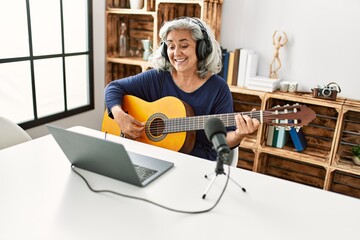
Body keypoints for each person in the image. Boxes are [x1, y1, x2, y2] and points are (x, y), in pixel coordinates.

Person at [105, 17, 260, 161]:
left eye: (184, 45)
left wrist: (239, 134)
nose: (176, 53)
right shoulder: (157, 78)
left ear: (202, 49)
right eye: (171, 46)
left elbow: (224, 139)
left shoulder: (218, 88)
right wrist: (119, 115)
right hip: (153, 156)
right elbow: (113, 88)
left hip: (197, 163)